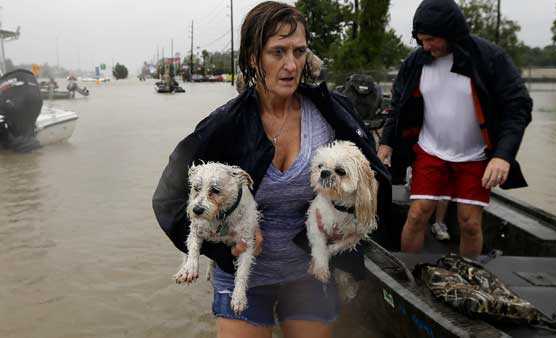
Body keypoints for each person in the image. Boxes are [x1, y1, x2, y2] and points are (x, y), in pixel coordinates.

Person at [152, 2, 391, 338]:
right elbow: (168, 199)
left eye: (299, 51)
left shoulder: (330, 113)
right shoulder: (225, 125)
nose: (291, 65)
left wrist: (353, 223)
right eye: (277, 52)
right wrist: (220, 247)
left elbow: (371, 180)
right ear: (253, 57)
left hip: (308, 270)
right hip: (242, 271)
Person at [377, 0, 532, 258]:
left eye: (431, 40)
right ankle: (409, 272)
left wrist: (503, 156)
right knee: (417, 214)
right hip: (430, 150)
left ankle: (468, 277)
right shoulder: (415, 62)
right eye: (421, 40)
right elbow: (399, 106)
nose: (425, 46)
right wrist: (386, 142)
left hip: (475, 155)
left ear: (451, 33)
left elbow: (519, 106)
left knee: (469, 223)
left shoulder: (489, 58)